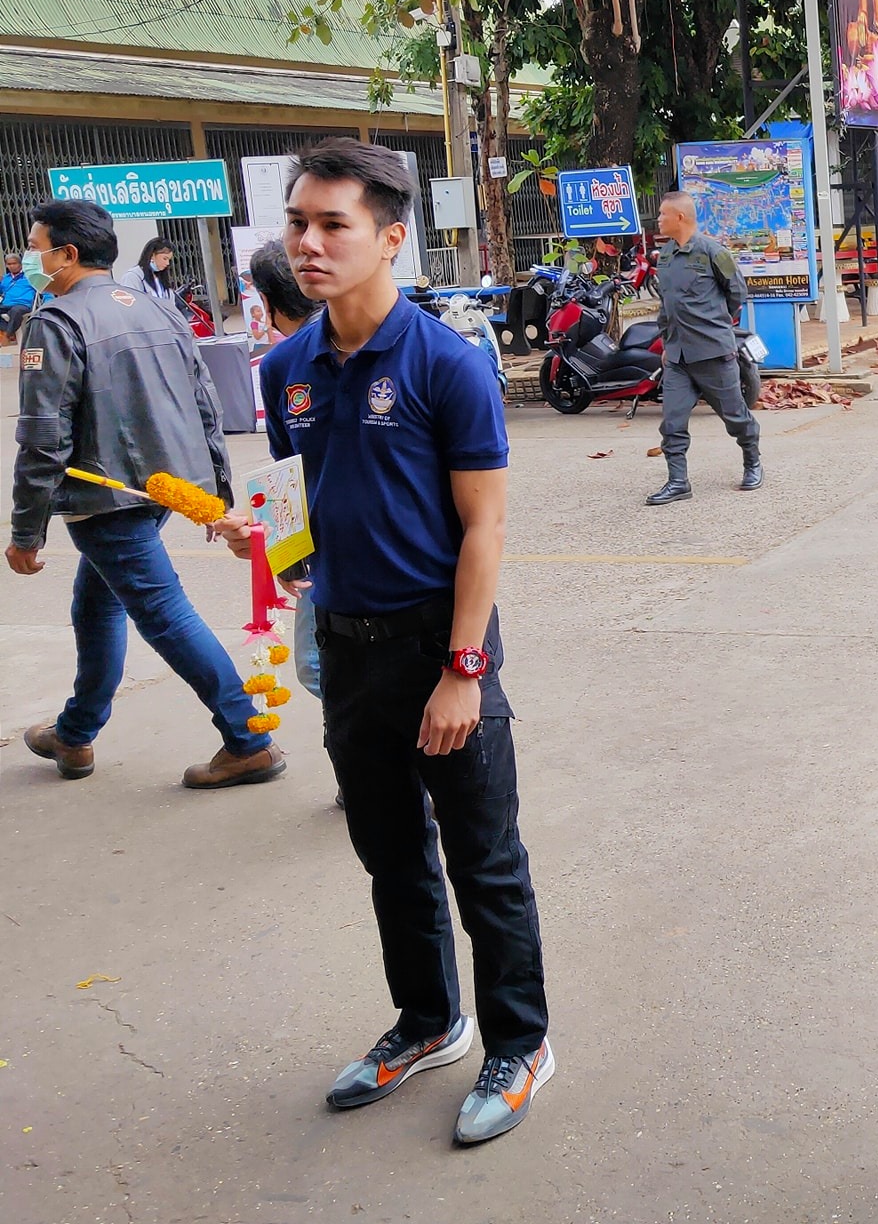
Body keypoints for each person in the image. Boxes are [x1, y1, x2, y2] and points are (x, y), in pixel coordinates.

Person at [224, 138, 551, 1145]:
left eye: (334, 225)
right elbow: (295, 524)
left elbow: (485, 531)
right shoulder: (285, 368)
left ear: (391, 238)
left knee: (482, 860)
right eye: (298, 224)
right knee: (389, 855)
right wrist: (265, 542)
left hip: (439, 647)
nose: (309, 245)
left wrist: (463, 671)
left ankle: (520, 1040)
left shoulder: (446, 365)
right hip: (351, 647)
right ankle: (426, 1021)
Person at [10, 200, 286, 788]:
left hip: (106, 497)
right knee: (97, 603)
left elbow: (42, 438)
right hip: (162, 490)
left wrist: (24, 532)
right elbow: (206, 406)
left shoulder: (55, 322)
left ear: (67, 254)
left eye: (37, 247)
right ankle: (77, 732)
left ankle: (248, 737)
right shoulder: (162, 312)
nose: (30, 257)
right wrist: (213, 491)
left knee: (162, 613)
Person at [647, 190, 761, 504]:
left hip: (713, 352)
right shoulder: (666, 256)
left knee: (735, 416)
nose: (658, 219)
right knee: (672, 421)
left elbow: (737, 293)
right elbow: (666, 305)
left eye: (662, 214)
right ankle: (678, 481)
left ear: (679, 217)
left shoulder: (713, 252)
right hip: (678, 356)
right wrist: (667, 341)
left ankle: (752, 462)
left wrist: (714, 324)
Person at [248, 238, 324, 706]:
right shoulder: (282, 364)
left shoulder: (290, 361)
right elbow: (286, 469)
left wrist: (288, 554)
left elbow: (287, 467)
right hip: (327, 545)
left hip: (340, 552)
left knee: (319, 666)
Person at [119, 235, 179, 300]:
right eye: (164, 258)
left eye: (169, 260)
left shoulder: (161, 278)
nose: (167, 263)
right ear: (152, 255)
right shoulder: (132, 277)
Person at [1, 249, 37, 341]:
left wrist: (47, 303)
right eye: (9, 264)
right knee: (12, 311)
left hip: (23, 305)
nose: (11, 266)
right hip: (6, 305)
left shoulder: (29, 277)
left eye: (14, 263)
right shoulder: (5, 278)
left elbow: (45, 291)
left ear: (20, 264)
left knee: (15, 311)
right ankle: (8, 331)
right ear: (6, 265)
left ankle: (7, 335)